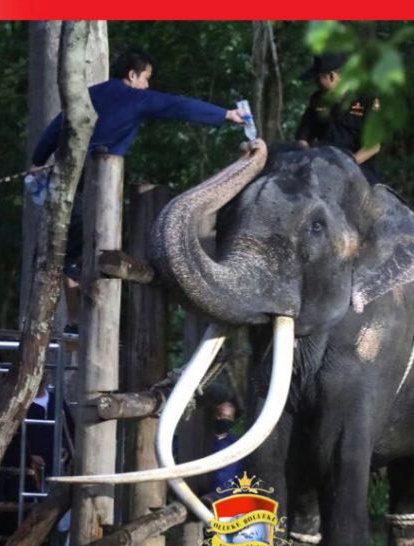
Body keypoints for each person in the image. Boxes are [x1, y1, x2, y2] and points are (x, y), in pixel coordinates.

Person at [30, 48, 246, 336]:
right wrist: (225, 115)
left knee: (68, 251)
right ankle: (82, 323)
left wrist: (37, 159)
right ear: (132, 75)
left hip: (67, 180)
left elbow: (55, 127)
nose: (147, 85)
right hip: (100, 186)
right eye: (146, 78)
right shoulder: (136, 97)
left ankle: (74, 320)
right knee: (87, 253)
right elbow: (179, 106)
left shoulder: (89, 94)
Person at [295, 52, 382, 184]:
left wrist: (347, 164)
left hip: (358, 166)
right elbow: (303, 137)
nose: (316, 83)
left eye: (318, 79)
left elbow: (373, 145)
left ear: (331, 76)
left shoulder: (367, 99)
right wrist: (309, 158)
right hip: (321, 163)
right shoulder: (317, 99)